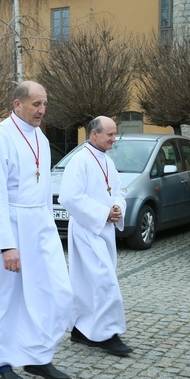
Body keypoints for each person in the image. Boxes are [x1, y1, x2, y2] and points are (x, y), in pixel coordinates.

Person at [0, 80, 73, 379]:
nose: (42, 110)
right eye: (36, 104)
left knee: (52, 291)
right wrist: (6, 245)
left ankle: (37, 355)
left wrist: (48, 230)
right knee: (4, 299)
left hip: (38, 226)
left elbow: (43, 189)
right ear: (18, 104)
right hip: (9, 226)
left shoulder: (40, 138)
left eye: (44, 104)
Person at [58, 116, 132, 357]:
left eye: (115, 134)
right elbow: (69, 197)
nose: (114, 139)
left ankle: (81, 330)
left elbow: (118, 190)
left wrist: (118, 207)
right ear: (94, 134)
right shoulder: (79, 161)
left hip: (104, 229)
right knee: (103, 281)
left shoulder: (107, 162)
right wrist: (103, 213)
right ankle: (106, 334)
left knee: (90, 283)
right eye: (109, 134)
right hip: (86, 229)